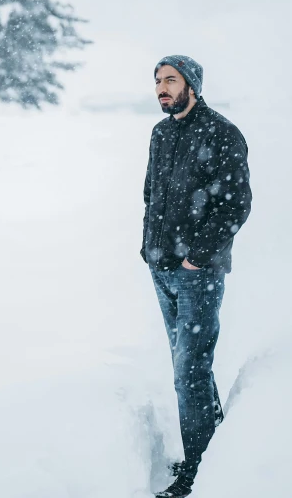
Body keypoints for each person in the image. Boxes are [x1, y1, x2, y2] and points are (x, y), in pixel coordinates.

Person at [142, 55, 252, 497]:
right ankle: (213, 450)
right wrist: (150, 250)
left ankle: (195, 471)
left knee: (190, 368)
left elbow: (235, 205)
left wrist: (196, 257)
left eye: (171, 80)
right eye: (157, 81)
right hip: (162, 269)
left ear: (193, 86)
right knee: (188, 364)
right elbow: (150, 194)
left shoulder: (221, 133)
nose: (161, 88)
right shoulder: (161, 132)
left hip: (197, 274)